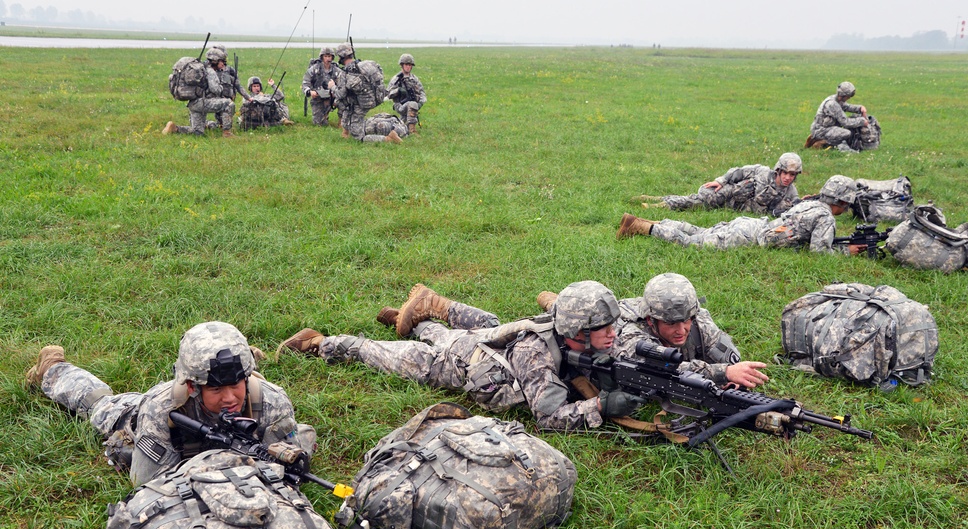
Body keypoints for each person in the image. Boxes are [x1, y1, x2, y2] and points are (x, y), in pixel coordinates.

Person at [276, 282, 644, 431]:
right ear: (577, 330)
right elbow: (548, 418)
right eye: (603, 328)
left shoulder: (589, 339)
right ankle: (319, 342)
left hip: (479, 343)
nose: (613, 333)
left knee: (465, 329)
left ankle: (415, 320)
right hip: (455, 364)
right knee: (380, 354)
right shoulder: (536, 353)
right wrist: (601, 407)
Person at [25, 321, 315, 486]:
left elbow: (286, 468)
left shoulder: (272, 403)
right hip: (136, 418)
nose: (229, 398)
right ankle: (52, 370)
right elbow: (147, 485)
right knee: (101, 405)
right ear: (192, 386)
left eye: (236, 384)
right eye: (215, 388)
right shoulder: (162, 409)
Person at [537, 274, 768, 389]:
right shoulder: (628, 332)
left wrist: (734, 380)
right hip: (594, 322)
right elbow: (659, 367)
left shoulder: (697, 317)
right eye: (671, 324)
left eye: (686, 320)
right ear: (651, 320)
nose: (682, 330)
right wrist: (721, 373)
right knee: (570, 313)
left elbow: (730, 360)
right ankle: (553, 302)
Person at [616, 175, 857, 254]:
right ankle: (642, 227)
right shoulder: (825, 217)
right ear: (842, 201)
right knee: (694, 243)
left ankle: (657, 221)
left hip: (750, 225)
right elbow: (819, 252)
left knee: (702, 231)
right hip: (749, 236)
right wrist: (847, 252)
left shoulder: (811, 204)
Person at [636, 153, 802, 216]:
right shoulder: (762, 172)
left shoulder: (791, 194)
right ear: (778, 171)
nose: (787, 178)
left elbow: (792, 211)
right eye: (785, 173)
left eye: (792, 175)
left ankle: (659, 200)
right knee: (700, 201)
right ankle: (659, 204)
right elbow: (738, 172)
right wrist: (720, 181)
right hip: (729, 193)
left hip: (735, 209)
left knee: (696, 202)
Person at [333, 44, 401, 144]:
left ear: (341, 57)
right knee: (347, 110)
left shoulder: (346, 73)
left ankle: (388, 139)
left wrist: (332, 87)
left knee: (358, 137)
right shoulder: (367, 64)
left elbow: (340, 94)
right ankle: (345, 133)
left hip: (361, 104)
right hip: (374, 98)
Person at [162, 47, 235, 137]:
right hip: (202, 103)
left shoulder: (201, 68)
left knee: (197, 132)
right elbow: (215, 89)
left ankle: (175, 128)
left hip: (193, 103)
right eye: (222, 61)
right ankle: (227, 133)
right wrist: (222, 88)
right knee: (228, 104)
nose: (223, 63)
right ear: (216, 61)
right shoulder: (210, 71)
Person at [807, 82, 870, 152]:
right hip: (821, 130)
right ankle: (822, 142)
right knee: (846, 133)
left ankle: (820, 139)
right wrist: (862, 121)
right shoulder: (832, 104)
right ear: (844, 95)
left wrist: (860, 108)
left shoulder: (837, 99)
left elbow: (847, 107)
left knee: (844, 132)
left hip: (825, 127)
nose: (849, 98)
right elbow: (845, 122)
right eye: (849, 96)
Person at [301, 46, 342, 127]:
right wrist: (310, 92)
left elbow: (343, 86)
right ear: (322, 57)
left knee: (345, 102)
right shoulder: (314, 69)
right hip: (318, 98)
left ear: (332, 57)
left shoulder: (337, 71)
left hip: (333, 97)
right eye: (325, 56)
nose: (328, 59)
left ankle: (342, 122)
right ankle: (323, 116)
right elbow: (305, 83)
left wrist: (336, 94)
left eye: (329, 56)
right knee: (319, 123)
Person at [387, 53, 426, 135]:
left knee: (401, 125)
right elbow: (388, 94)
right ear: (402, 65)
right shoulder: (397, 79)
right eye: (406, 64)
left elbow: (422, 92)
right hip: (400, 105)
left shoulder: (414, 79)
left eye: (410, 65)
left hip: (411, 106)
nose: (408, 67)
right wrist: (398, 90)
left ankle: (402, 125)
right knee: (412, 104)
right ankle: (412, 131)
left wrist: (420, 103)